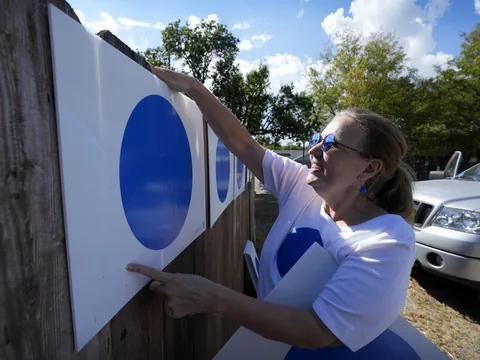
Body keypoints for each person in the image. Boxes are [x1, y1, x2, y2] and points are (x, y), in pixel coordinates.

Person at [126, 66, 417, 354]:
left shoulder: (387, 241)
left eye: (331, 145)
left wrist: (209, 297)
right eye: (317, 139)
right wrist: (194, 87)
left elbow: (316, 332)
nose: (313, 150)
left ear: (370, 168)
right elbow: (243, 144)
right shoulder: (302, 186)